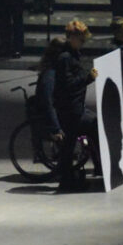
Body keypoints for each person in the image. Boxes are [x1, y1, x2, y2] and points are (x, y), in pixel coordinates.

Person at [37, 20, 94, 187]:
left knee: (68, 148)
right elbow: (50, 100)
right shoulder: (57, 68)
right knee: (68, 148)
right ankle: (67, 180)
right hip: (67, 112)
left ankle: (68, 178)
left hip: (71, 109)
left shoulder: (62, 62)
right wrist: (55, 127)